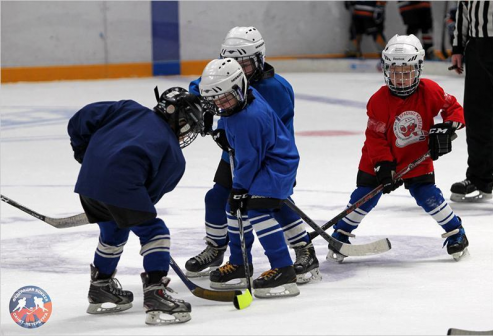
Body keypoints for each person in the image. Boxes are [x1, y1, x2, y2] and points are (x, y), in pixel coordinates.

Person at [185, 26, 320, 285]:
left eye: (244, 63)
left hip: (266, 155)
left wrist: (245, 182)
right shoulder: (234, 82)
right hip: (238, 151)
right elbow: (204, 85)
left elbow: (259, 132)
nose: (237, 68)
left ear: (259, 59)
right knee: (218, 199)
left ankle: (304, 250)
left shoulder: (276, 90)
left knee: (271, 205)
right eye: (231, 62)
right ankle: (219, 250)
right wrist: (197, 101)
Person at [67, 87, 204, 325]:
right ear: (178, 119)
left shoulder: (127, 108)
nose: (185, 132)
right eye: (187, 125)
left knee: (113, 229)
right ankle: (156, 292)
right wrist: (130, 207)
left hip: (87, 182)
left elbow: (81, 118)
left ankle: (101, 286)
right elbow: (148, 196)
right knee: (155, 231)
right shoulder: (174, 154)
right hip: (122, 186)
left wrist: (84, 153)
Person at [327, 34, 469, 262]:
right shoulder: (378, 101)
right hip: (377, 160)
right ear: (386, 70)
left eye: (407, 73)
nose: (401, 79)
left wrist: (446, 127)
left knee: (428, 195)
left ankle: (456, 232)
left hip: (416, 157)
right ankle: (341, 233)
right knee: (364, 197)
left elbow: (454, 108)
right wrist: (383, 165)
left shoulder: (430, 90)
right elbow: (375, 138)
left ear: (418, 68)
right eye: (395, 73)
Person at [198, 58, 301, 298]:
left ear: (239, 87)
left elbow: (248, 160)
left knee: (256, 210)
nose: (221, 104)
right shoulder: (242, 95)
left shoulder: (249, 118)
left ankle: (283, 269)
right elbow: (226, 113)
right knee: (233, 209)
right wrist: (220, 128)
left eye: (225, 98)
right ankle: (239, 264)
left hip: (276, 165)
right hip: (263, 160)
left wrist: (239, 189)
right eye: (217, 99)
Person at [450, 1, 493, 202]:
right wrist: (458, 46)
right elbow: (464, 7)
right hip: (477, 46)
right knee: (477, 116)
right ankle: (479, 178)